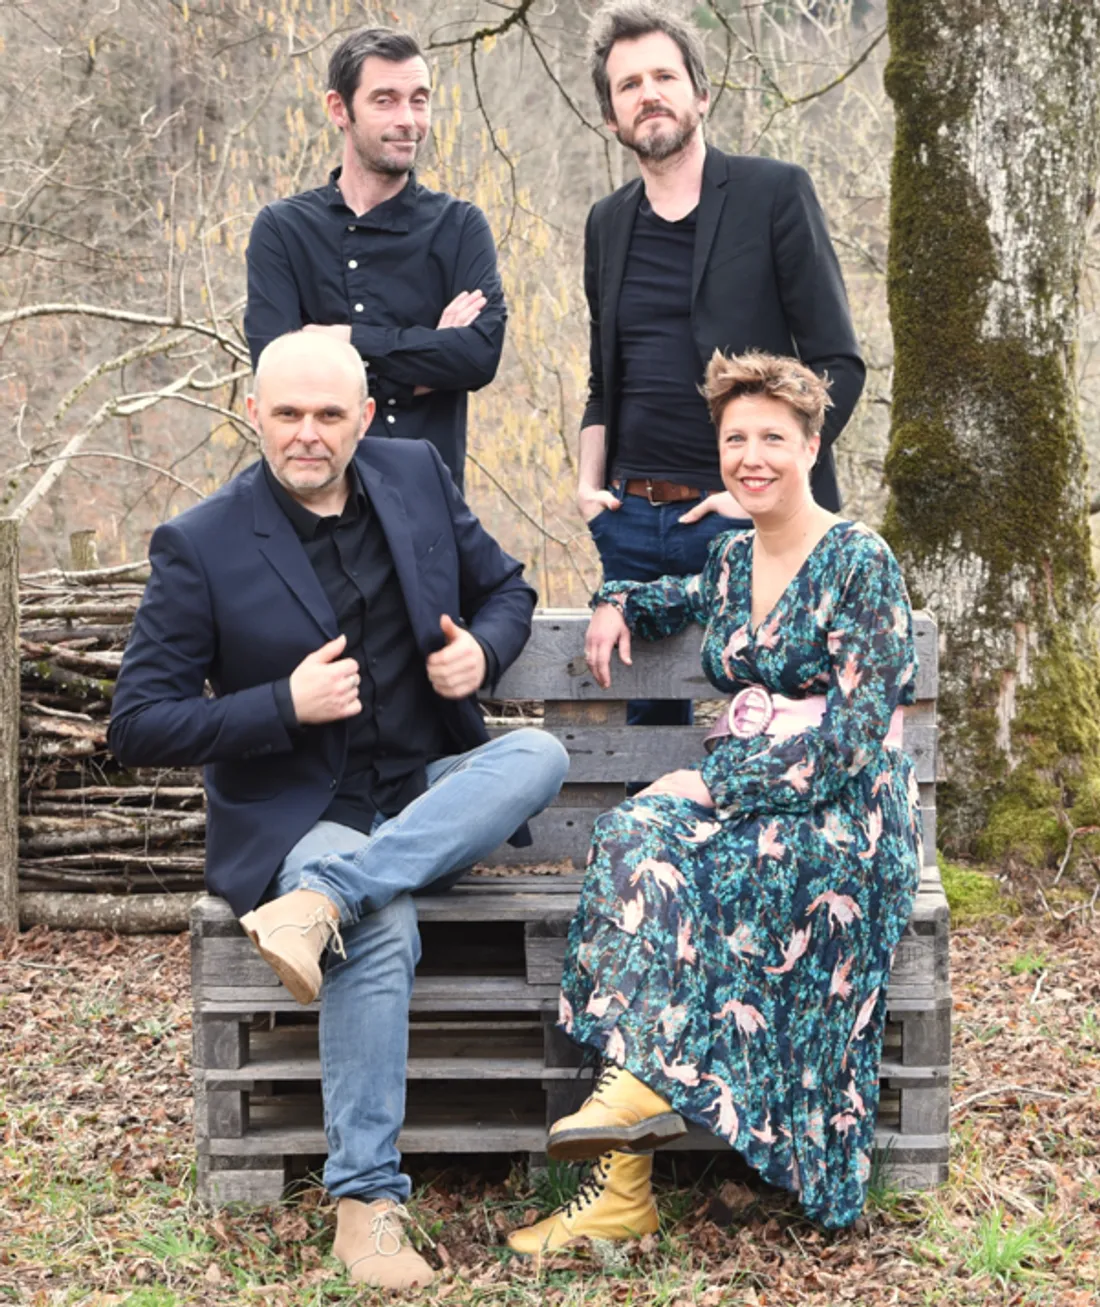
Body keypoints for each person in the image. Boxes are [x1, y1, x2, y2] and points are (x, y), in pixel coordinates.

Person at [108, 331, 569, 1291]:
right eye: (287, 414)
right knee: (383, 922)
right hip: (300, 811)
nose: (307, 434)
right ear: (253, 415)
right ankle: (366, 1205)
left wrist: (483, 650)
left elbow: (507, 587)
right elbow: (139, 722)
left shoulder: (417, 475)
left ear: (364, 416)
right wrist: (284, 703)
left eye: (328, 414)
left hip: (426, 795)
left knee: (539, 753)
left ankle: (328, 898)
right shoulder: (202, 542)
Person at [507, 351, 921, 1255]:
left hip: (845, 814)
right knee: (632, 832)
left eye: (773, 437)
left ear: (811, 446)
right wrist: (619, 601)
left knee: (711, 861)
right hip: (755, 804)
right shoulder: (733, 557)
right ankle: (624, 1171)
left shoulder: (859, 559)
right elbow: (678, 597)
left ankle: (630, 1110)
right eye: (736, 439)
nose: (751, 456)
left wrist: (716, 782)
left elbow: (856, 739)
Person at [577, 1, 864, 729]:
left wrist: (761, 490)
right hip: (631, 523)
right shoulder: (607, 223)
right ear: (610, 117)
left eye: (664, 76)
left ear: (700, 94)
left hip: (749, 519)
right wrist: (589, 488)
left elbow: (837, 364)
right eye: (629, 84)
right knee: (645, 741)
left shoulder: (773, 194)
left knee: (779, 730)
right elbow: (603, 384)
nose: (649, 94)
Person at [243, 27, 505, 489]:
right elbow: (280, 377)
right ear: (339, 109)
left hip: (427, 498)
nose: (408, 120)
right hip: (315, 503)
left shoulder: (461, 226)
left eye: (419, 100)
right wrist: (428, 357)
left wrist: (346, 339)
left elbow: (477, 356)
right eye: (385, 101)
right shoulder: (282, 230)